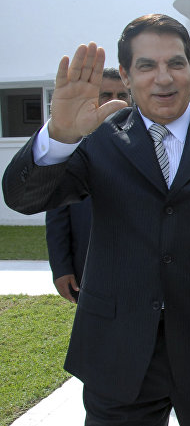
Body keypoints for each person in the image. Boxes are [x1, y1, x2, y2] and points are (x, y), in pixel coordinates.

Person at [2, 14, 190, 425]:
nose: (163, 78)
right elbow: (24, 198)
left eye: (175, 63)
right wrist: (60, 135)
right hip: (118, 352)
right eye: (147, 65)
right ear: (127, 76)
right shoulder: (96, 137)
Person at [45, 67, 130, 303]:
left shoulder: (149, 142)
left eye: (122, 95)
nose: (115, 101)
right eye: (106, 95)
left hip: (137, 269)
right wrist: (61, 267)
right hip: (89, 265)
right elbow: (57, 212)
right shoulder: (71, 145)